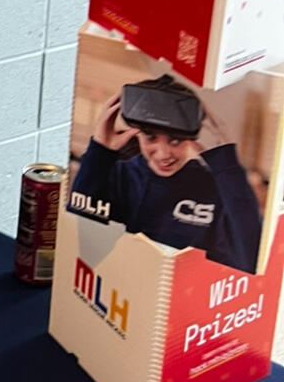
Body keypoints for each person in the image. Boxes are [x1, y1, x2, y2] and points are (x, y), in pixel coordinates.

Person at [69, 79, 262, 273]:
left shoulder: (215, 188)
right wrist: (99, 152)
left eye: (175, 141)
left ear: (192, 139)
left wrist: (226, 164)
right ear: (136, 133)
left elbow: (248, 259)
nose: (163, 154)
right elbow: (81, 248)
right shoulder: (118, 176)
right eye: (150, 137)